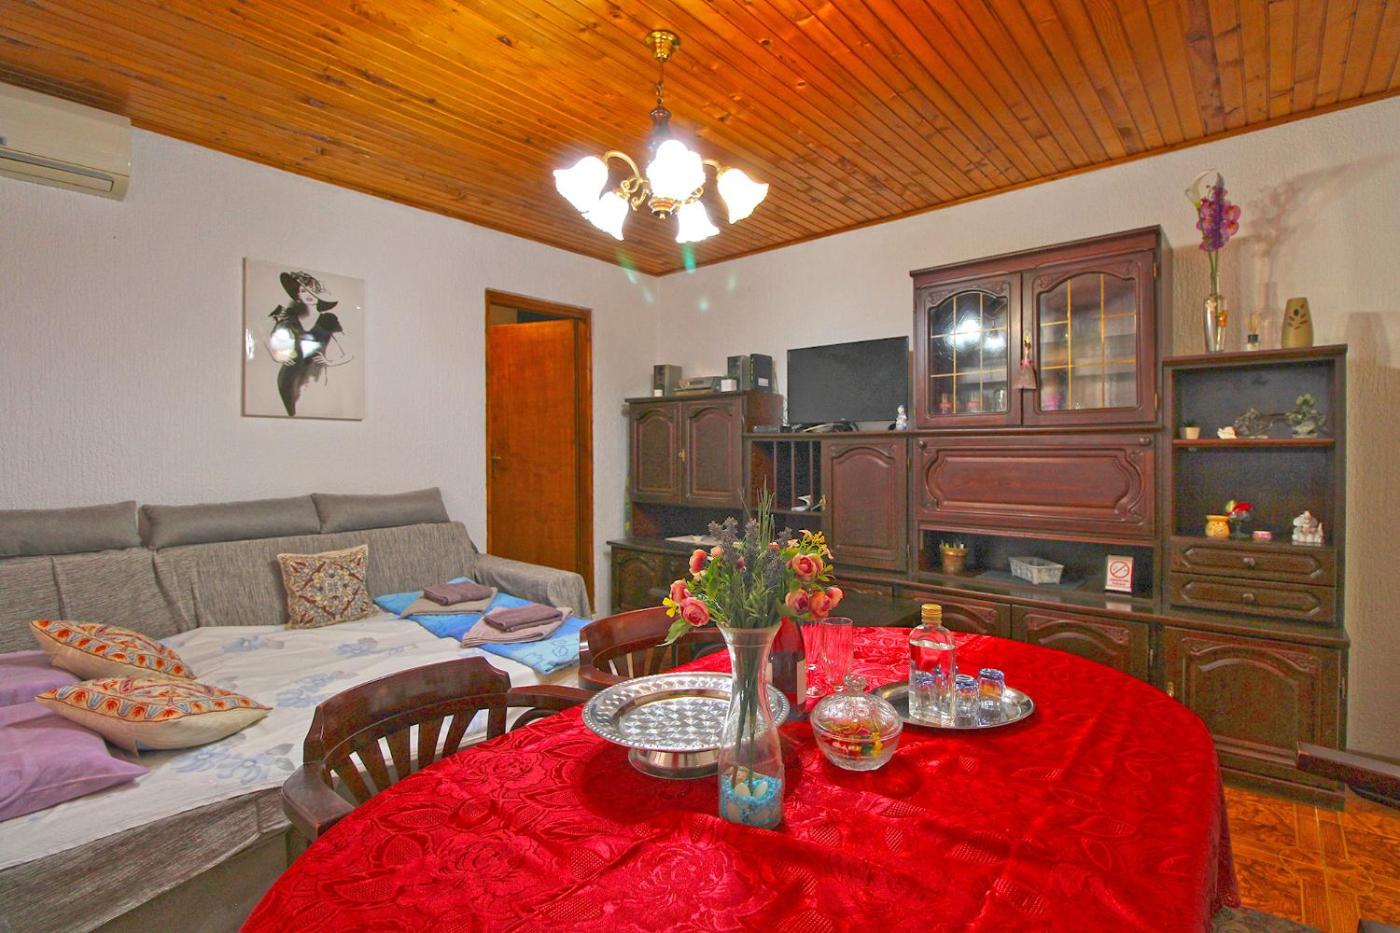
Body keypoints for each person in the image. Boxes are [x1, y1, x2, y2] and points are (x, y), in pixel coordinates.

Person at [267, 271, 345, 416]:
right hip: (289, 377)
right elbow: (270, 340)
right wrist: (278, 355)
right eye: (303, 290)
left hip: (315, 376)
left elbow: (349, 350)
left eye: (312, 290)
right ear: (298, 294)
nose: (308, 294)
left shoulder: (328, 320)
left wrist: (331, 362)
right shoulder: (288, 319)